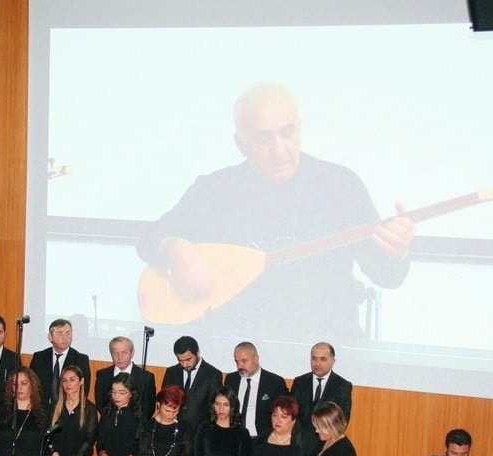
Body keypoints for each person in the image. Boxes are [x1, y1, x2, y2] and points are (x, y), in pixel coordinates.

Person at [136, 82, 414, 340]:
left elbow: (387, 276)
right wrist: (174, 246)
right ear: (240, 144)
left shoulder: (340, 185)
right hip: (240, 356)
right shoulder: (215, 190)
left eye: (288, 133)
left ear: (299, 128)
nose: (280, 150)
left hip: (326, 352)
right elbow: (149, 239)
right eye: (264, 139)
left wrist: (396, 252)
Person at [224, 341, 288, 440]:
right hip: (234, 439)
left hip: (262, 441)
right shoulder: (232, 379)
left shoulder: (275, 382)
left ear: (256, 359)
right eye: (237, 361)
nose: (240, 366)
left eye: (244, 361)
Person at [290, 342, 352, 437]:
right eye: (314, 358)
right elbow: (292, 413)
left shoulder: (342, 386)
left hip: (326, 442)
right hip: (300, 441)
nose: (317, 363)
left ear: (333, 361)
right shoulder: (300, 382)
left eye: (323, 359)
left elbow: (342, 420)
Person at [160, 335, 223, 429]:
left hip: (199, 433)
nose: (185, 364)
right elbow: (164, 401)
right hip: (173, 431)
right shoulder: (171, 372)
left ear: (197, 352)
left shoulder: (213, 374)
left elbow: (214, 409)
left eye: (188, 359)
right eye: (180, 360)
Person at [29, 318, 91, 406]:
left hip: (67, 411)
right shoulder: (39, 357)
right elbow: (32, 386)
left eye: (68, 333)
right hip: (41, 410)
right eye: (60, 333)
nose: (65, 337)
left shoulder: (81, 360)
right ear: (50, 337)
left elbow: (84, 390)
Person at [94, 336, 156, 422]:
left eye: (124, 353)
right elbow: (100, 404)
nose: (120, 357)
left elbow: (149, 408)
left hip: (135, 428)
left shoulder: (146, 377)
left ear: (132, 353)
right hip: (109, 425)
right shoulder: (102, 375)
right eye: (115, 353)